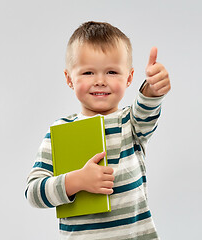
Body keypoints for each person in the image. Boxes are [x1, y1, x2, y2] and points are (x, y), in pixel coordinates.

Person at [25, 21, 171, 239]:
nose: (100, 81)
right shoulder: (59, 132)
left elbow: (145, 109)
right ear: (69, 79)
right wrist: (76, 181)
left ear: (129, 78)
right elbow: (33, 193)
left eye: (112, 72)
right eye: (88, 73)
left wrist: (152, 88)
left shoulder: (131, 123)